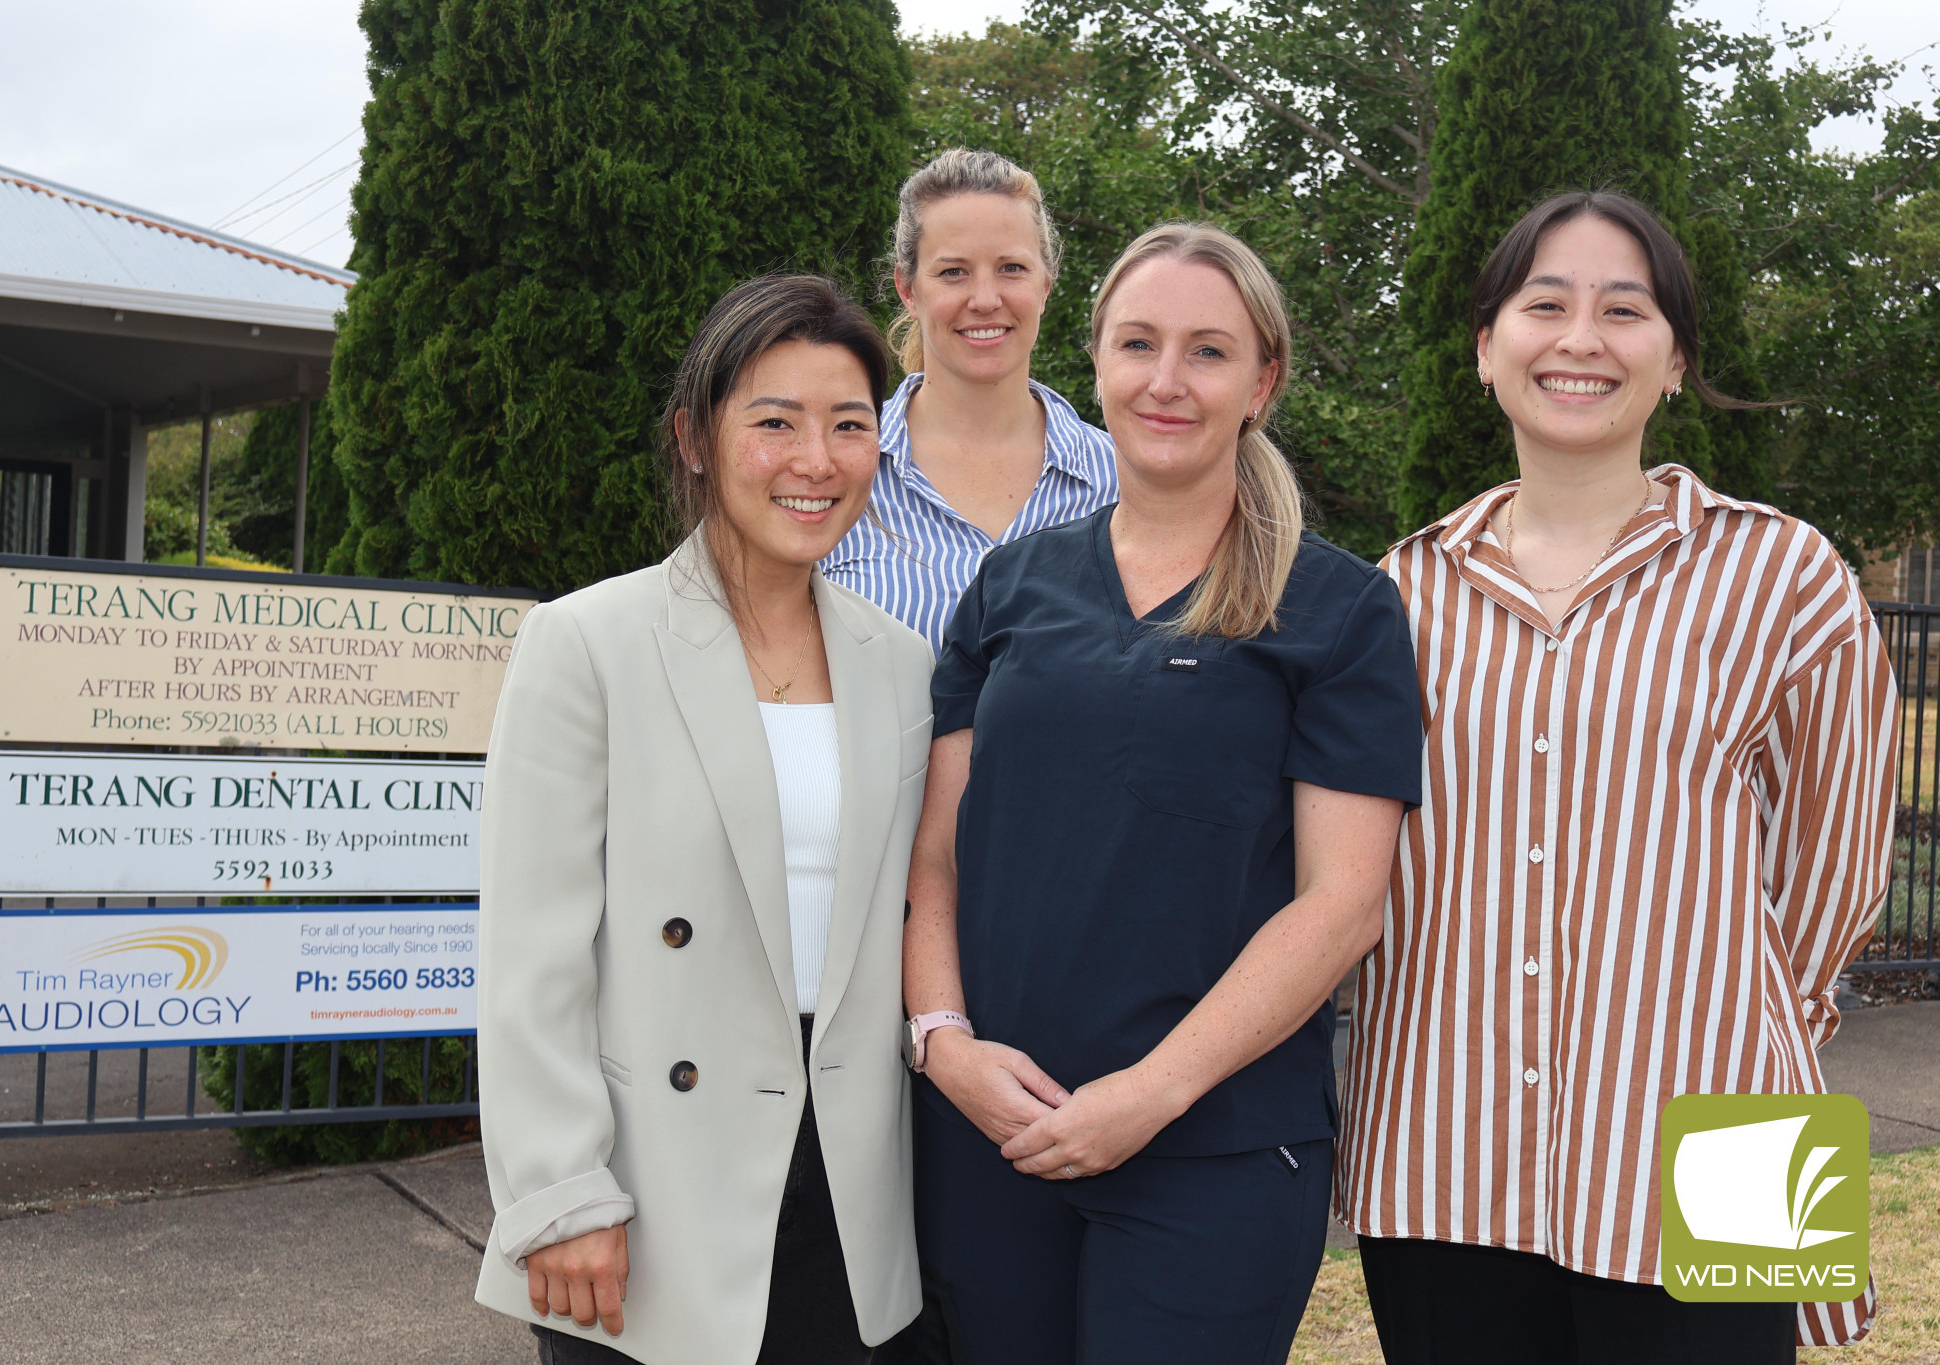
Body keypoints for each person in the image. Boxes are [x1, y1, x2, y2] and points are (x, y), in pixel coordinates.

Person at [1337, 191, 1898, 1362]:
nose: (1580, 338)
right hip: (1440, 1139)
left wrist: (1713, 1036)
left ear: (1676, 360)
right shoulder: (1396, 594)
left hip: (1732, 1135)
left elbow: (1834, 869)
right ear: (1486, 349)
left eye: (1623, 309)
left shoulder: (1785, 575)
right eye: (1543, 304)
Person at [900, 222, 1422, 1365]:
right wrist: (942, 1045)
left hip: (1214, 1151)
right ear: (1094, 360)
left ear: (1262, 380)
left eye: (1207, 351)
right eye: (1136, 344)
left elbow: (1342, 904)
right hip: (996, 1134)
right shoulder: (1013, 585)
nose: (1165, 381)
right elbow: (934, 854)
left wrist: (1149, 1093)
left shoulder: (1336, 610)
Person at [473, 274, 935, 1365]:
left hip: (855, 1179)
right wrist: (561, 1191)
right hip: (654, 1178)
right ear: (693, 436)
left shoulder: (902, 664)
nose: (813, 461)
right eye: (772, 423)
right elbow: (529, 952)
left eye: (848, 426)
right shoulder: (586, 644)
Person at [821, 147, 1118, 651]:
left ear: (1046, 284)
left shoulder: (1121, 480)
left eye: (1011, 268)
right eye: (953, 272)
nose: (984, 299)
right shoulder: (832, 470)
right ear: (908, 289)